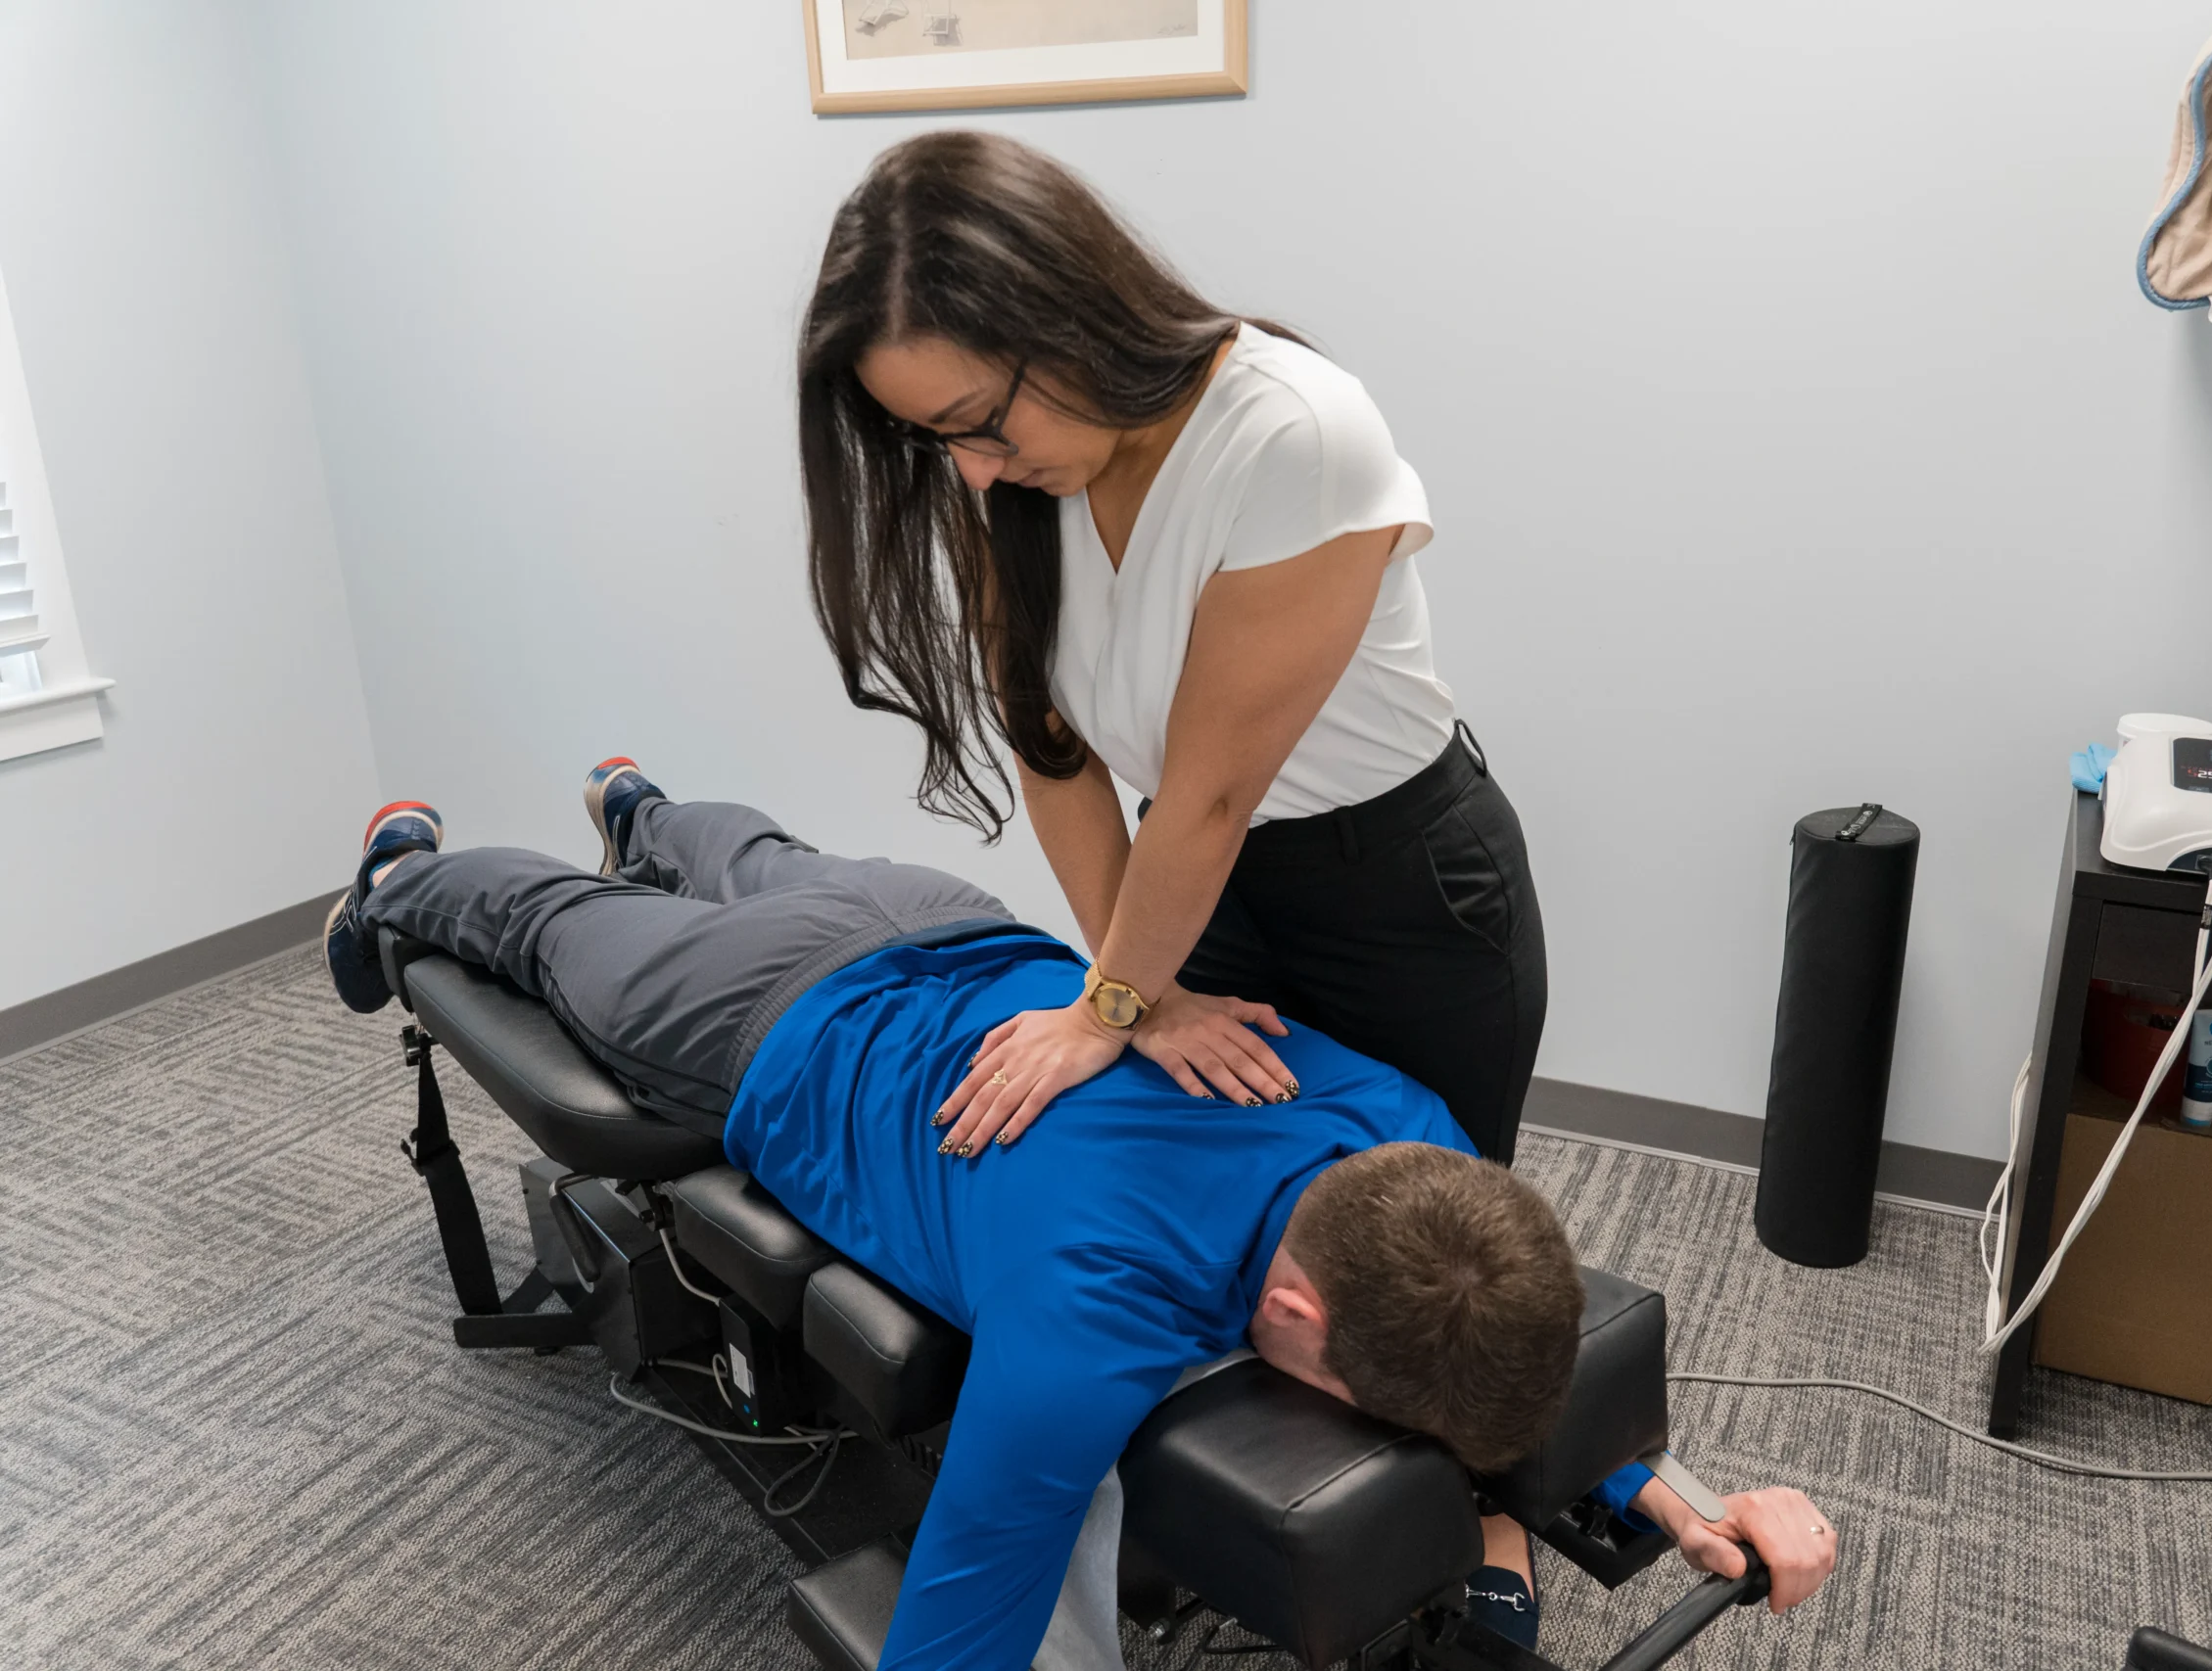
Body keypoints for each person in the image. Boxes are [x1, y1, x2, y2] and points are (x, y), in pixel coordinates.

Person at [321, 762, 1839, 1671]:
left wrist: (1678, 1497)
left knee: (766, 859)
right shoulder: (1089, 1308)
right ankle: (402, 869)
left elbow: (1504, 1344)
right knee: (548, 926)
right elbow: (958, 1621)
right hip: (773, 1028)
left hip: (967, 929)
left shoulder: (1414, 1133)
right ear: (1300, 1322)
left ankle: (645, 804)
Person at [798, 130, 1547, 1167]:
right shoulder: (1012, 481)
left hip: (1399, 897)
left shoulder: (1293, 434)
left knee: (1417, 1253)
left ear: (1066, 314)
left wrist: (1102, 1010)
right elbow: (1051, 753)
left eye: (979, 422)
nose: (971, 474)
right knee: (1226, 1222)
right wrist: (1135, 995)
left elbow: (1212, 794)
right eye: (937, 439)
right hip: (1192, 885)